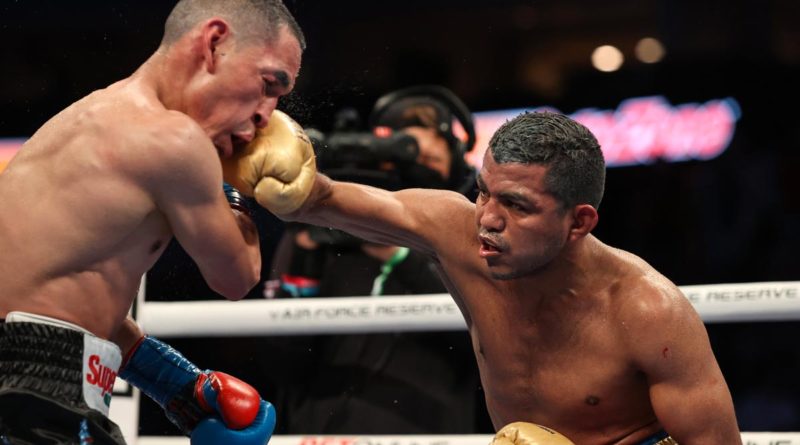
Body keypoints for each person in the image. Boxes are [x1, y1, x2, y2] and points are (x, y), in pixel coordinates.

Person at [250, 110, 743, 444]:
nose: (487, 218)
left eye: (516, 205)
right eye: (486, 193)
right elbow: (323, 200)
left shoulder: (646, 312)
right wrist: (267, 157)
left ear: (579, 222)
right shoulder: (457, 232)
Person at [0, 0, 304, 444]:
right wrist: (238, 184)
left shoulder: (84, 122)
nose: (266, 115)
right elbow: (236, 276)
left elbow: (46, 306)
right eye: (268, 84)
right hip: (32, 403)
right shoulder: (173, 140)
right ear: (215, 42)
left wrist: (175, 384)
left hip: (32, 393)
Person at [263, 87, 481, 434]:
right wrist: (309, 253)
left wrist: (394, 246)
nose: (417, 167)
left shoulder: (473, 234)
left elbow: (485, 351)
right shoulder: (316, 230)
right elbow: (284, 364)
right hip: (322, 437)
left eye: (427, 159)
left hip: (432, 435)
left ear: (455, 163)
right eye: (405, 152)